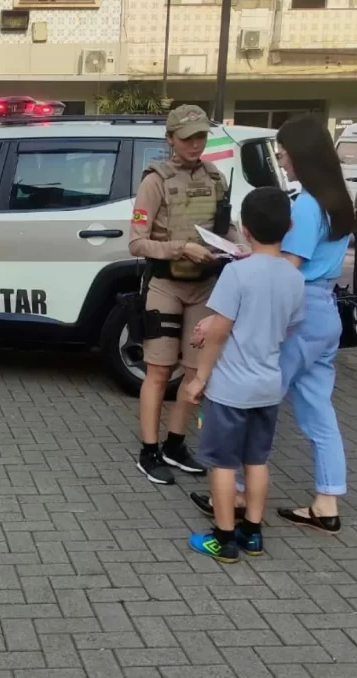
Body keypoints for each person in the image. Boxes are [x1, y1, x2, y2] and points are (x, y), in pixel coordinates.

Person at [190, 114, 355, 535]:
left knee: (253, 401)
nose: (279, 158)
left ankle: (237, 494)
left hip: (299, 312)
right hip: (325, 315)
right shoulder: (339, 197)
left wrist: (247, 258)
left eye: (282, 151)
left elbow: (291, 264)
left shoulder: (307, 203)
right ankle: (327, 499)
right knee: (320, 411)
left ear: (301, 153)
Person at [183, 187, 304, 563]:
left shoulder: (236, 273)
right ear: (289, 226)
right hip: (268, 386)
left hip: (231, 388)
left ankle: (223, 538)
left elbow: (219, 332)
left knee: (222, 463)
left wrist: (199, 377)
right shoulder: (294, 277)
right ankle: (252, 532)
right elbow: (287, 328)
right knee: (257, 460)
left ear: (244, 228)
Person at [129, 104, 246, 486]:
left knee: (196, 372)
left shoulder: (215, 178)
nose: (196, 144)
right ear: (170, 140)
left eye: (201, 137)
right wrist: (181, 248)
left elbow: (224, 227)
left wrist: (241, 247)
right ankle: (149, 450)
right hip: (165, 284)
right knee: (160, 370)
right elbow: (137, 243)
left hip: (206, 286)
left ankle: (176, 445)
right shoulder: (154, 181)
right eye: (187, 138)